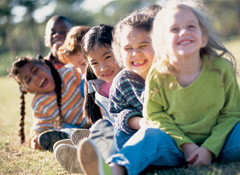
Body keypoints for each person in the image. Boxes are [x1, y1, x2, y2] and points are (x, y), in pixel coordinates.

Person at [77, 0, 240, 175]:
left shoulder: (221, 68)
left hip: (221, 142)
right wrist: (187, 146)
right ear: (163, 40)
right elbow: (157, 117)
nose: (183, 32)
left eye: (191, 27)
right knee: (151, 135)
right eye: (174, 29)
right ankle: (113, 169)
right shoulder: (158, 73)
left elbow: (232, 113)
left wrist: (208, 148)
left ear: (204, 37)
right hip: (174, 146)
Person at [53, 24, 122, 174]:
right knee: (102, 130)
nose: (103, 68)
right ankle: (86, 152)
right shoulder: (98, 86)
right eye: (95, 63)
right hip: (115, 133)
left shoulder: (133, 78)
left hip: (129, 134)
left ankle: (91, 154)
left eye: (108, 57)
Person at [8, 56, 89, 151]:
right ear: (28, 89)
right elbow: (40, 128)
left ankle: (88, 136)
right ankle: (71, 138)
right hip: (76, 129)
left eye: (35, 70)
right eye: (28, 80)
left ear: (46, 66)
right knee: (61, 128)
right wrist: (38, 140)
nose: (35, 78)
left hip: (97, 118)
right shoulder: (40, 104)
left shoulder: (70, 73)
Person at [109, 10, 157, 149]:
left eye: (143, 46)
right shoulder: (122, 81)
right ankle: (93, 153)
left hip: (168, 131)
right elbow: (119, 114)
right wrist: (141, 122)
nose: (135, 54)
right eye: (128, 48)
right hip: (137, 129)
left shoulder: (169, 73)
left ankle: (107, 154)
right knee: (118, 133)